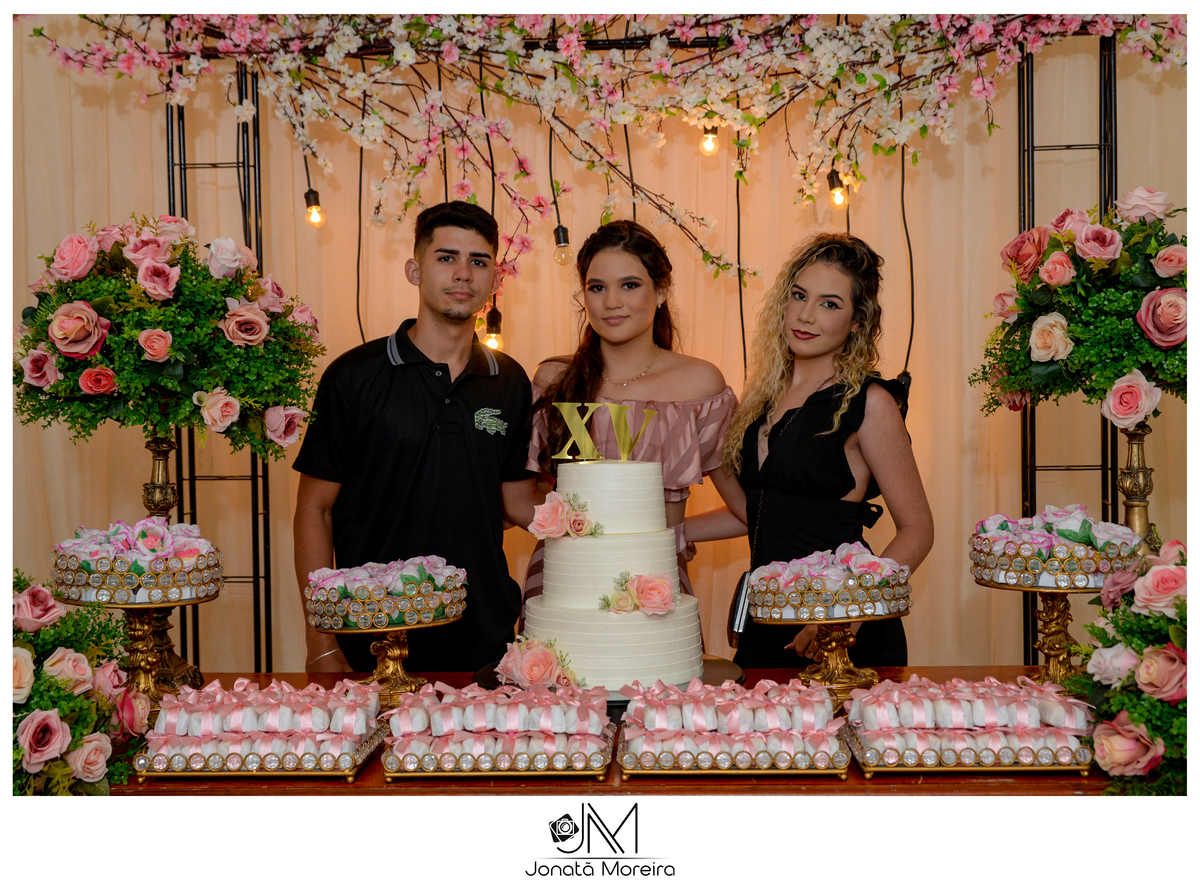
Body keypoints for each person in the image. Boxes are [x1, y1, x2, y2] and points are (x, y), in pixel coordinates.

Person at [292, 201, 539, 674]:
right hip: (369, 637)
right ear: (415, 270)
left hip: (483, 641)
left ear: (494, 279)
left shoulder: (508, 380)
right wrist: (321, 642)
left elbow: (516, 504)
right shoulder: (353, 376)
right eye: (446, 257)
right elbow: (314, 511)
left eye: (478, 261)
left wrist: (599, 516)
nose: (463, 273)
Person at [685, 232, 934, 668]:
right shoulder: (761, 400)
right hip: (768, 619)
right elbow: (761, 512)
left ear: (858, 322)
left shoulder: (870, 403)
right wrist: (675, 532)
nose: (805, 315)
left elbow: (918, 529)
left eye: (829, 304)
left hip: (843, 632)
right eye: (799, 296)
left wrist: (846, 614)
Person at [522, 219, 742, 613]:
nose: (611, 302)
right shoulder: (554, 378)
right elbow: (520, 498)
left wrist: (675, 533)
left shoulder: (699, 385)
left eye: (629, 285)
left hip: (655, 588)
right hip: (564, 585)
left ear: (661, 291)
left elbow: (746, 510)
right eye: (597, 287)